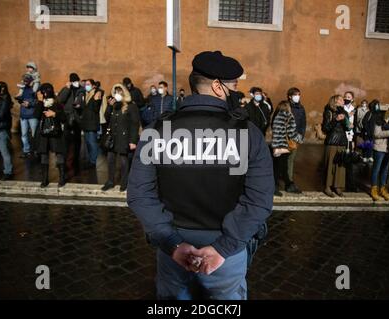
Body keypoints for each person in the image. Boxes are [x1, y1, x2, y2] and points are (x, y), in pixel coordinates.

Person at [127, 51, 274, 300]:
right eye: (234, 86)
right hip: (227, 251)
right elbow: (259, 200)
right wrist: (222, 249)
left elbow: (140, 195)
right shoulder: (248, 134)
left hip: (173, 246)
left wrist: (173, 245)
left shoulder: (157, 131)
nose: (238, 93)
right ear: (218, 87)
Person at [101, 84, 140, 192]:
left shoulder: (131, 106)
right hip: (113, 137)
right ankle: (110, 181)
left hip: (124, 138)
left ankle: (124, 182)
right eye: (116, 92)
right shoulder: (113, 105)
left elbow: (134, 124)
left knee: (123, 161)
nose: (117, 94)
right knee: (110, 159)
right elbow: (106, 118)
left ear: (124, 93)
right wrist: (109, 106)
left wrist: (133, 141)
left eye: (120, 92)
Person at [34, 83, 67, 188]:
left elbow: (64, 118)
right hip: (43, 134)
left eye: (42, 92)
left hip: (55, 133)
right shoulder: (40, 103)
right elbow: (36, 115)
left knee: (59, 154)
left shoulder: (57, 103)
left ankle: (62, 178)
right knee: (44, 155)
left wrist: (55, 114)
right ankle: (44, 179)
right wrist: (39, 102)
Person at [271, 100, 303, 196]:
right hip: (285, 146)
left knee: (277, 167)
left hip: (277, 146)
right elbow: (291, 133)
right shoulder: (288, 116)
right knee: (282, 168)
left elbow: (274, 131)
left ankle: (283, 185)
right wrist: (299, 139)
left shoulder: (276, 116)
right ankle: (287, 186)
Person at [321, 95, 349, 197]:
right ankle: (327, 187)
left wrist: (347, 123)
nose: (343, 101)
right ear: (335, 101)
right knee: (330, 165)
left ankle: (338, 186)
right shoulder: (329, 111)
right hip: (332, 141)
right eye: (341, 99)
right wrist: (336, 119)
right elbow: (325, 128)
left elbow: (347, 128)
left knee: (340, 165)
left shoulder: (344, 112)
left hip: (342, 141)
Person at [57, 73, 84, 173]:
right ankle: (66, 160)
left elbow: (84, 102)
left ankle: (75, 160)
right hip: (68, 117)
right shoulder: (66, 89)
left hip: (78, 118)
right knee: (66, 140)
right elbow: (60, 100)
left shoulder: (82, 90)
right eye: (73, 81)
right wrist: (67, 89)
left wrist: (79, 106)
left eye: (76, 80)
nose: (75, 82)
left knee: (77, 141)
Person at [286, 87, 306, 193]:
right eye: (295, 95)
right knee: (281, 160)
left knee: (291, 160)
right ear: (290, 96)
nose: (297, 96)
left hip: (295, 139)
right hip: (284, 137)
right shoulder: (285, 106)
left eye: (299, 94)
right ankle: (277, 182)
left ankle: (289, 182)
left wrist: (300, 136)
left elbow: (303, 123)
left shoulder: (301, 108)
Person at [80, 79, 102, 169]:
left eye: (88, 84)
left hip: (92, 122)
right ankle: (90, 160)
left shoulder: (97, 94)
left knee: (92, 143)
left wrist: (97, 100)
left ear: (93, 86)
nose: (86, 86)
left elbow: (96, 108)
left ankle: (93, 161)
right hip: (86, 123)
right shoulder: (85, 94)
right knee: (88, 143)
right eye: (86, 84)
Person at [17, 74, 38, 158]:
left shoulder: (35, 89)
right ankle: (26, 151)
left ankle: (36, 150)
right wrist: (19, 99)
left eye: (26, 80)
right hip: (23, 115)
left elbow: (38, 101)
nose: (24, 81)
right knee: (24, 134)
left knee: (34, 134)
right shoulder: (22, 89)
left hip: (32, 115)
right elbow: (21, 99)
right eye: (24, 80)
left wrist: (29, 103)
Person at [343, 91, 357, 192]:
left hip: (350, 136)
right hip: (342, 135)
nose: (346, 98)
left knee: (349, 159)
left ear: (352, 99)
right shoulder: (342, 107)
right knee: (342, 156)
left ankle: (349, 183)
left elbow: (357, 123)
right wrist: (348, 115)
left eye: (349, 97)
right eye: (345, 97)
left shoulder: (354, 110)